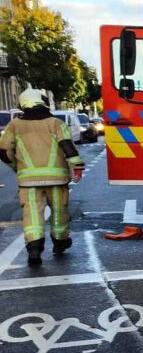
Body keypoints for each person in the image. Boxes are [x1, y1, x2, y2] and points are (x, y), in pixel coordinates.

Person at [0, 89, 84, 266]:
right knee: (59, 211)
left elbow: (4, 152)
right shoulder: (56, 123)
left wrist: (17, 168)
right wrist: (77, 167)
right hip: (57, 179)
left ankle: (34, 248)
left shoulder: (15, 125)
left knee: (32, 214)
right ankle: (60, 242)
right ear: (42, 102)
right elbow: (67, 146)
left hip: (28, 181)